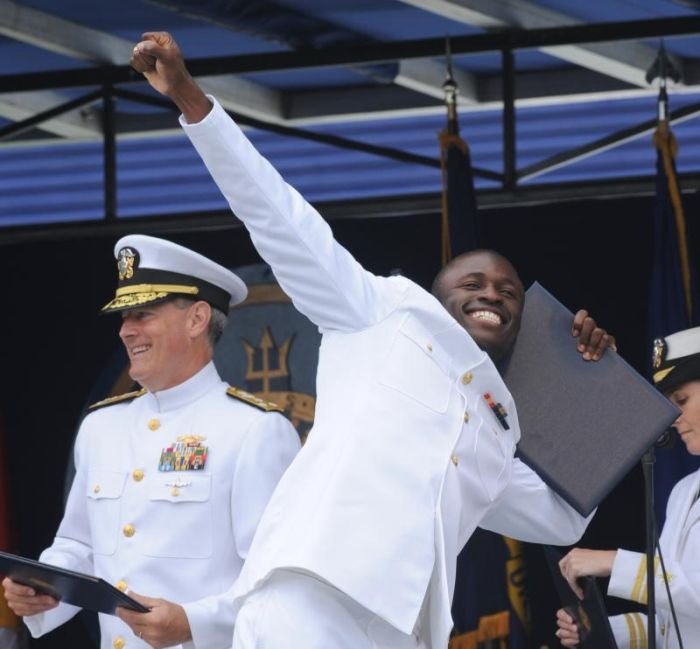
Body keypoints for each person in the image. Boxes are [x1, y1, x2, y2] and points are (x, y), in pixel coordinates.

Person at [131, 32, 616, 649]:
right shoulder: (378, 311)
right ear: (437, 294)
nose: (493, 294)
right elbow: (277, 216)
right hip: (311, 597)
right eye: (474, 282)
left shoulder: (498, 431)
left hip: (404, 631)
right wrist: (191, 101)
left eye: (509, 291)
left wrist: (590, 384)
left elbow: (564, 515)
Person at [2, 234, 301, 649]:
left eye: (142, 314)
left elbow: (282, 583)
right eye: (124, 317)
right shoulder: (101, 427)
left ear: (197, 319)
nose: (126, 331)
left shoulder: (256, 431)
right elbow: (80, 545)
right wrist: (42, 589)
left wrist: (194, 623)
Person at [556, 326, 700, 649]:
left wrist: (611, 562)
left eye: (682, 399)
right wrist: (597, 629)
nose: (673, 417)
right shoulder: (683, 492)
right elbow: (672, 624)